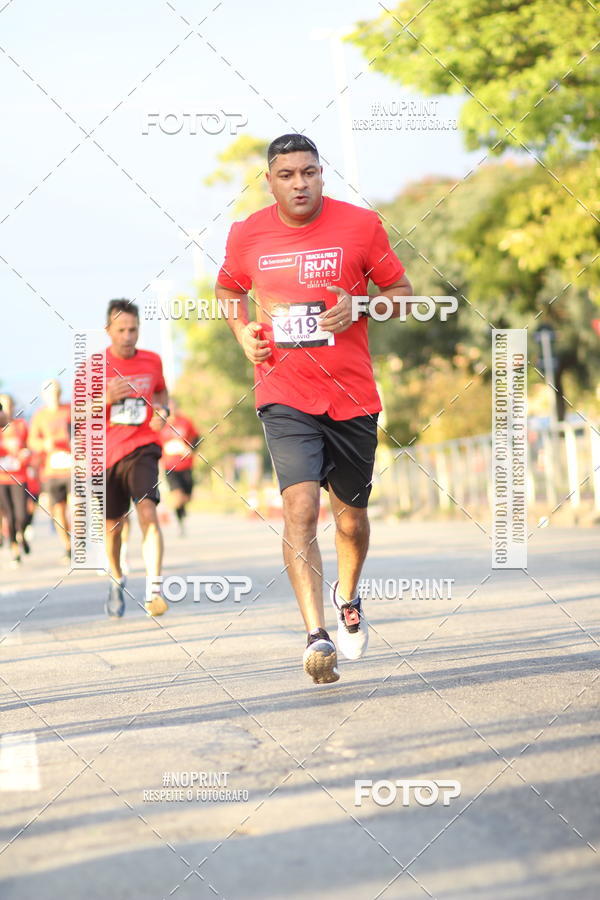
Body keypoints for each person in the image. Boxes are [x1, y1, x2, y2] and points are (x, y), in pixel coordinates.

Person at [215, 134, 413, 684]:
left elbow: (404, 293)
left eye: (309, 172)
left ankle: (348, 597)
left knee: (350, 521)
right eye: (287, 175)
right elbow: (228, 289)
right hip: (284, 394)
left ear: (322, 174)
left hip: (351, 396)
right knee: (300, 509)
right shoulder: (247, 233)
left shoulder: (360, 225)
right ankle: (316, 635)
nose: (300, 183)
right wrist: (241, 334)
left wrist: (364, 303)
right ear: (270, 181)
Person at [103, 298, 170, 618]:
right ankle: (117, 575)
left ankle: (154, 590)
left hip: (143, 446)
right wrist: (104, 398)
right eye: (121, 330)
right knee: (113, 526)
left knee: (148, 512)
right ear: (109, 331)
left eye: (133, 329)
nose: (128, 336)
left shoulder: (152, 361)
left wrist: (163, 411)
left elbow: (161, 393)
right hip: (106, 454)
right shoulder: (93, 366)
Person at [29, 380, 72, 563]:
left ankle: (82, 540)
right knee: (59, 512)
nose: (53, 395)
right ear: (45, 395)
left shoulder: (70, 410)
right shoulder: (40, 416)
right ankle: (68, 547)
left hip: (73, 469)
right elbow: (32, 441)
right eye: (49, 392)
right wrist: (44, 444)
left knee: (77, 506)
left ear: (60, 392)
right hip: (52, 471)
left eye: (55, 392)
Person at [158, 400, 201, 536]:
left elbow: (197, 437)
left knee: (187, 496)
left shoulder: (185, 422)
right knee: (177, 495)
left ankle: (182, 510)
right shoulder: (160, 425)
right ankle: (180, 521)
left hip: (186, 465)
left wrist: (190, 449)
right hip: (170, 466)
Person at [0, 394, 31, 565]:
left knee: (22, 515)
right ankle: (14, 548)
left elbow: (30, 445)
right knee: (9, 517)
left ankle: (22, 534)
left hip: (18, 477)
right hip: (2, 479)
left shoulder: (20, 425)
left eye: (8, 406)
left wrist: (24, 454)